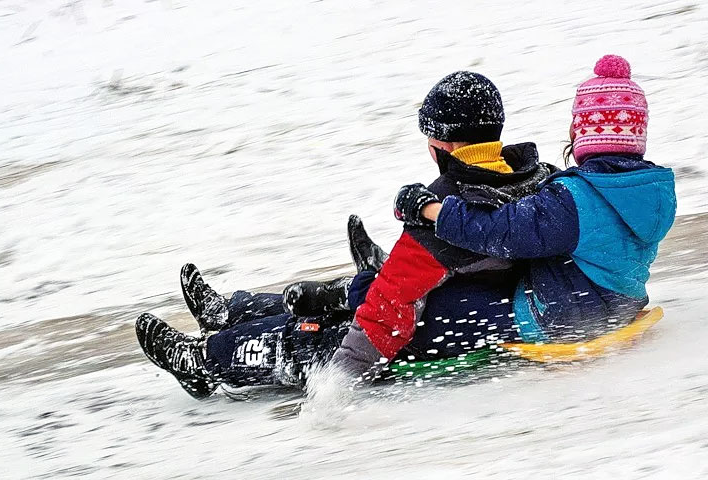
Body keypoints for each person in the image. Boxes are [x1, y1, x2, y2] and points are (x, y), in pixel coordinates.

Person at [135, 71, 558, 398]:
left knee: (307, 337)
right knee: (349, 293)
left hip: (421, 326)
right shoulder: (535, 181)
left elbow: (388, 309)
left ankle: (204, 362)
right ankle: (232, 311)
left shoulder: (444, 213)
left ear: (442, 146)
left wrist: (339, 382)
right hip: (463, 297)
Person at [389, 55, 676, 369]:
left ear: (583, 133)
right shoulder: (651, 191)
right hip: (619, 304)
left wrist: (431, 210)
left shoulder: (575, 199)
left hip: (559, 318)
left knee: (440, 311)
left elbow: (503, 232)